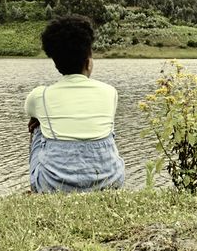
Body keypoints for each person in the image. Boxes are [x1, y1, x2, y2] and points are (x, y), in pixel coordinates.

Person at [25, 15, 125, 193]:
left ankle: (36, 189)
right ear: (88, 62)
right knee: (107, 127)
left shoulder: (40, 95)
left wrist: (41, 119)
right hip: (110, 182)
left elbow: (31, 113)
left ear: (56, 64)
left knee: (38, 124)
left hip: (53, 186)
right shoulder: (110, 92)